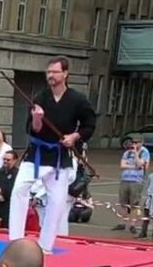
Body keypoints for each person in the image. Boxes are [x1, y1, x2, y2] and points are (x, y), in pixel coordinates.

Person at [8, 57, 97, 254]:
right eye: (48, 72)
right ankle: (15, 239)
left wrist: (74, 137)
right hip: (37, 153)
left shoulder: (78, 100)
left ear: (65, 74)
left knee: (57, 202)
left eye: (55, 72)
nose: (50, 75)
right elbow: (31, 129)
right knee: (19, 189)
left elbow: (89, 124)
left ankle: (46, 245)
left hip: (59, 156)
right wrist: (37, 119)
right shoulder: (40, 98)